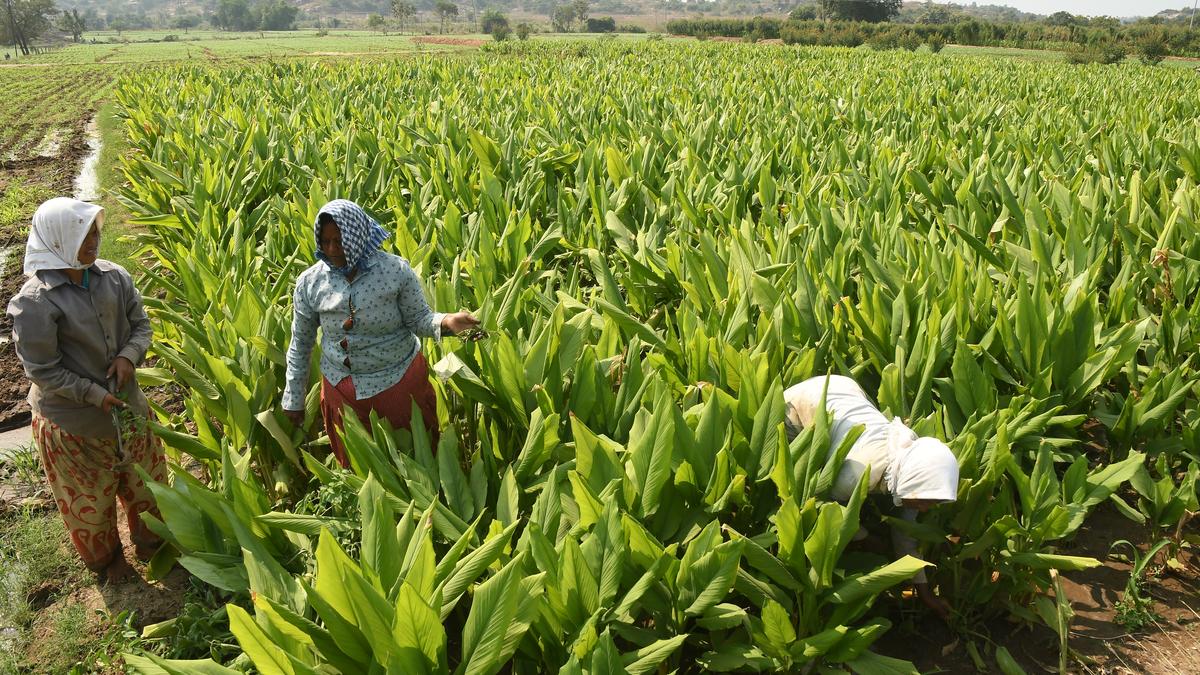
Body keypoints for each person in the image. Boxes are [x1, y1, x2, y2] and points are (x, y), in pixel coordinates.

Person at [7, 197, 165, 583]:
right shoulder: (34, 303)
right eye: (82, 234)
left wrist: (129, 357)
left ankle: (154, 547)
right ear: (57, 240)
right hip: (74, 426)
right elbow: (44, 371)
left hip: (128, 411)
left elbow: (140, 325)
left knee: (149, 485)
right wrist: (95, 395)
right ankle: (108, 563)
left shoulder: (115, 277)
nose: (93, 241)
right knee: (89, 504)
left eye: (95, 231)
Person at [282, 199, 479, 467]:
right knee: (359, 464)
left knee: (416, 460)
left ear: (357, 236)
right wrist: (294, 396)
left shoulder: (394, 272)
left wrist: (446, 321)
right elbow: (301, 343)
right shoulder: (310, 282)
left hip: (396, 380)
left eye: (339, 241)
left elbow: (419, 319)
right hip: (341, 386)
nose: (331, 249)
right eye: (325, 241)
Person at [784, 374, 959, 620]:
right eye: (924, 502)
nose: (926, 509)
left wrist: (925, 593)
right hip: (800, 406)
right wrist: (864, 538)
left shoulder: (915, 469)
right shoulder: (854, 475)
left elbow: (904, 535)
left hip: (847, 390)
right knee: (793, 480)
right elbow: (824, 508)